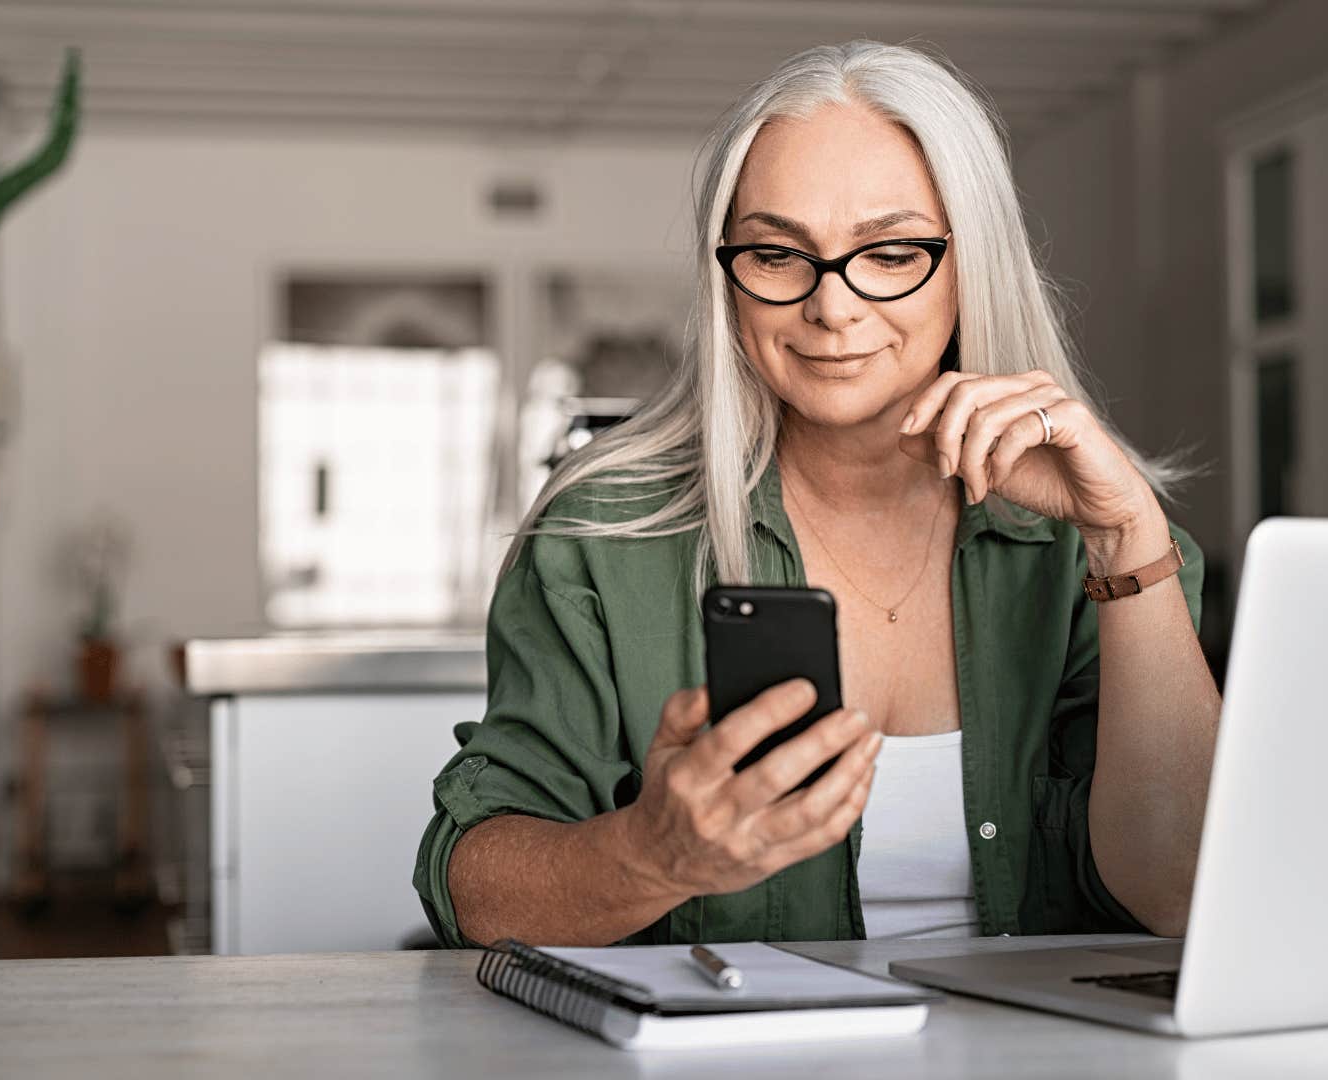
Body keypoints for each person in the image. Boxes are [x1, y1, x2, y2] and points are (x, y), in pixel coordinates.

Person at [413, 40, 1221, 948]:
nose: (831, 308)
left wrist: (1126, 542)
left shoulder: (1100, 546)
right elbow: (474, 890)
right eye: (775, 254)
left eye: (889, 253)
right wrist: (652, 855)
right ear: (729, 280)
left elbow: (1183, 892)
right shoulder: (603, 533)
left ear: (971, 263)